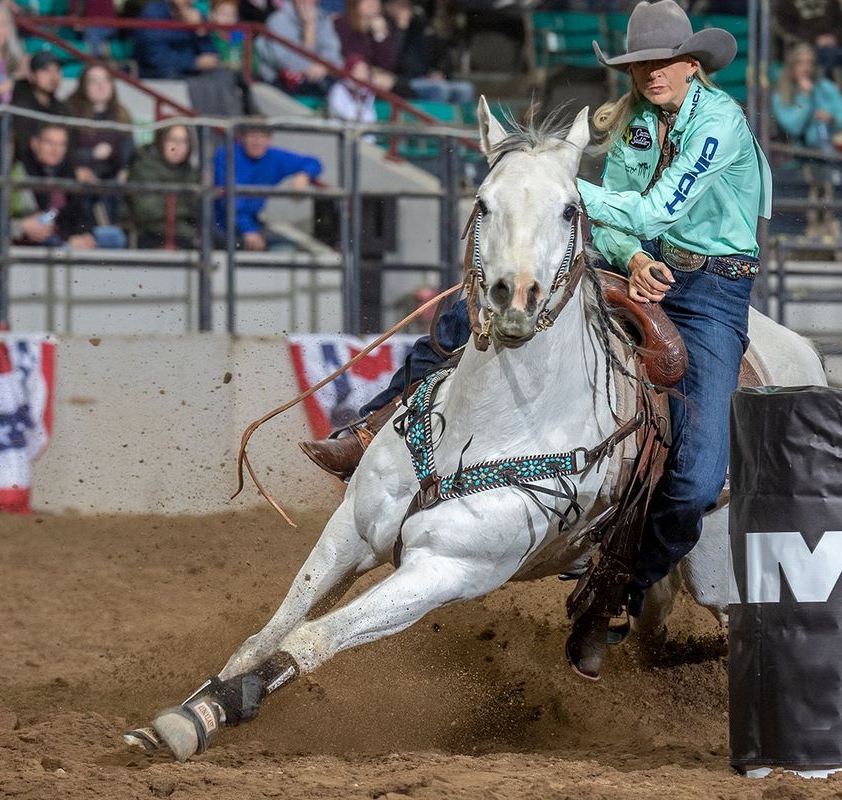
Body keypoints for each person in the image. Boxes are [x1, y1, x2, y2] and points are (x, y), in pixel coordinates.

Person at [301, 0, 770, 680]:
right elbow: (623, 227)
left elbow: (657, 208)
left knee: (696, 479)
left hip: (711, 292)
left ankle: (617, 589)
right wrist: (632, 257)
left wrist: (551, 186)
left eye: (664, 63)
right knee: (468, 311)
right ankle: (374, 425)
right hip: (644, 268)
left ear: (693, 66)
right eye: (640, 64)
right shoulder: (636, 125)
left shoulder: (719, 122)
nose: (651, 74)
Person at [213, 120, 323, 251]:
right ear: (242, 138)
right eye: (252, 136)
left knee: (285, 248)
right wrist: (248, 229)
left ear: (269, 140)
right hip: (221, 224)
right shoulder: (227, 154)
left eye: (263, 137)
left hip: (252, 223)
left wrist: (304, 175)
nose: (257, 142)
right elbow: (229, 199)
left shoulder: (273, 157)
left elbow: (314, 162)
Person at [18, 122, 126, 249]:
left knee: (116, 236)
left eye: (61, 144)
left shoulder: (67, 168)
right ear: (35, 143)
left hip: (66, 234)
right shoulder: (22, 170)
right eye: (50, 143)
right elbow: (37, 220)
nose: (56, 150)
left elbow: (79, 212)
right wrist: (68, 240)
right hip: (41, 236)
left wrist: (85, 235)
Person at [66, 64, 135, 224]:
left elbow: (130, 154)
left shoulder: (122, 114)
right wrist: (90, 155)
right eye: (94, 81)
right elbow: (64, 152)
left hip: (111, 181)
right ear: (83, 86)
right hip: (80, 177)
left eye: (105, 80)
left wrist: (125, 171)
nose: (101, 86)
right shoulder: (71, 110)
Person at [771, 42, 842, 150]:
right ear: (791, 67)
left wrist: (833, 119)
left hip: (833, 146)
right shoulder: (781, 94)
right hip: (802, 153)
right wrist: (805, 96)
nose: (806, 69)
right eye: (800, 63)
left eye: (810, 63)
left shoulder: (826, 87)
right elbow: (794, 128)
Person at [383, 0, 473, 103]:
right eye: (401, 6)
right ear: (389, 7)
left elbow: (440, 54)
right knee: (440, 89)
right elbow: (394, 61)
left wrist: (440, 72)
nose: (406, 10)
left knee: (466, 89)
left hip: (426, 77)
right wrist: (400, 30)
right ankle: (432, 115)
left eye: (407, 5)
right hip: (403, 80)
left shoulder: (418, 25)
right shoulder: (386, 27)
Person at [128, 124, 199, 248]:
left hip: (183, 233)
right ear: (160, 141)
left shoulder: (191, 173)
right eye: (172, 140)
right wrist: (184, 208)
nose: (177, 147)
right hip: (148, 234)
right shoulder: (143, 166)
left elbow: (199, 209)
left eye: (184, 141)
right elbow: (148, 210)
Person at [258, 0, 341, 96]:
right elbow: (292, 66)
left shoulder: (322, 19)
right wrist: (309, 28)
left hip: (316, 85)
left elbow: (334, 55)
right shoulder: (277, 21)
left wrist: (323, 66)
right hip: (279, 87)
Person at [133, 0, 220, 79]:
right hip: (156, 74)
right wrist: (193, 63)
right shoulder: (152, 13)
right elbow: (156, 57)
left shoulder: (198, 16)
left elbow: (211, 56)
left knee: (222, 75)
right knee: (170, 75)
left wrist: (201, 31)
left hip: (192, 73)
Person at [10, 51, 72, 156]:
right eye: (46, 70)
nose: (53, 76)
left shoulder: (64, 109)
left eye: (57, 70)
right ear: (32, 75)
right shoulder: (19, 107)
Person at [333, 0, 399, 93]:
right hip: (346, 78)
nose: (373, 3)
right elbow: (348, 56)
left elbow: (387, 65)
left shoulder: (383, 26)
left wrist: (380, 35)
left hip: (374, 80)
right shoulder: (341, 24)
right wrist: (370, 76)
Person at [771, 0, 842, 73]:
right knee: (827, 56)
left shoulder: (831, 2)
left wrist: (834, 38)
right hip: (803, 46)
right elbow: (785, 28)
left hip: (833, 44)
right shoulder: (785, 3)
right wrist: (815, 40)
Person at [327, 54, 378, 123]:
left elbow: (370, 112)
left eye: (365, 71)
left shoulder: (367, 90)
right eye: (359, 70)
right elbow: (340, 111)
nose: (363, 74)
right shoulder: (339, 89)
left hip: (362, 125)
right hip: (340, 125)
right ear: (350, 70)